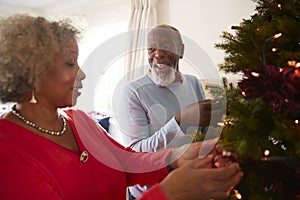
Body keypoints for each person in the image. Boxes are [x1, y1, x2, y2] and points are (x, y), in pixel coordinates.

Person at [0, 14, 242, 200]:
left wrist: (177, 159)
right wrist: (169, 193)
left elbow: (127, 162)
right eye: (70, 63)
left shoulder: (79, 120)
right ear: (33, 73)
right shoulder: (6, 151)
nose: (82, 74)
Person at [116, 24, 225, 199]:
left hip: (190, 185)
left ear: (181, 51)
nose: (158, 54)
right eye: (151, 49)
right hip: (152, 193)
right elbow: (136, 153)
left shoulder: (193, 82)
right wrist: (180, 122)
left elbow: (202, 131)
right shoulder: (133, 92)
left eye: (166, 47)